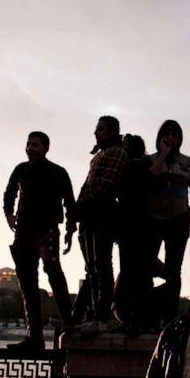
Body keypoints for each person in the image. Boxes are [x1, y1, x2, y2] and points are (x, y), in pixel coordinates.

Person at [3, 130, 77, 351]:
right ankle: (34, 337)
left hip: (47, 229)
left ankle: (69, 321)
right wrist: (8, 213)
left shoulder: (58, 172)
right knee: (28, 283)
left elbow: (70, 204)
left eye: (35, 144)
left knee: (53, 269)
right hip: (24, 231)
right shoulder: (21, 170)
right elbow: (9, 194)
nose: (30, 148)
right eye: (28, 144)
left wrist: (71, 231)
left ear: (46, 148)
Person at [145, 120, 190, 326]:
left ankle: (169, 316)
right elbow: (149, 179)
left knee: (173, 269)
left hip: (177, 222)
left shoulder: (189, 163)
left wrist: (189, 210)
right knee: (146, 266)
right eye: (166, 134)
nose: (170, 138)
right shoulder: (149, 160)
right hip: (152, 220)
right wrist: (162, 156)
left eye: (174, 135)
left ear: (179, 138)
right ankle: (145, 313)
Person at [76, 115, 127, 331]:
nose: (96, 132)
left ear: (114, 131)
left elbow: (105, 186)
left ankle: (101, 317)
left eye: (101, 129)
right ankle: (95, 315)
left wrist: (81, 206)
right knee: (92, 269)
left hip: (102, 216)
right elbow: (87, 186)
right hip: (88, 216)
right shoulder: (98, 155)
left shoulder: (117, 153)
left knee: (102, 266)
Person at [113, 134, 153, 331]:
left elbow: (120, 194)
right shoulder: (146, 166)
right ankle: (139, 318)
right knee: (141, 274)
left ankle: (130, 317)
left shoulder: (129, 168)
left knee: (130, 272)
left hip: (130, 226)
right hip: (142, 226)